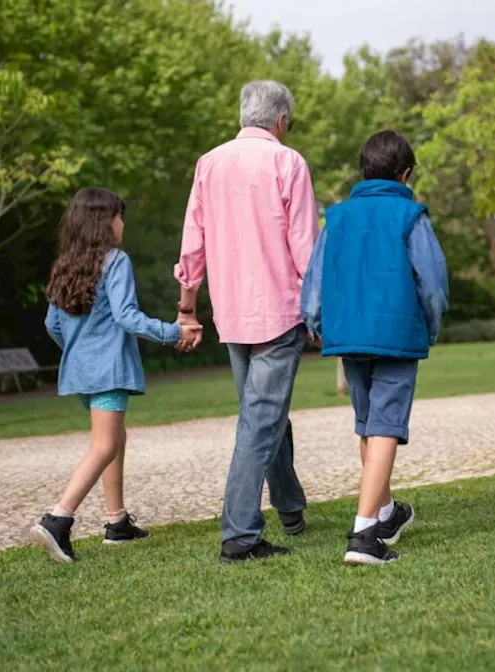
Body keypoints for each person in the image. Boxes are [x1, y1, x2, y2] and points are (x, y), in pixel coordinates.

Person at [174, 81, 317, 564]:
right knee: (260, 420)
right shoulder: (288, 162)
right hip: (279, 311)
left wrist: (187, 305)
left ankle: (291, 507)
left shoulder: (208, 163)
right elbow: (304, 245)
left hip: (231, 313)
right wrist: (318, 307)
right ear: (280, 121)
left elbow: (193, 240)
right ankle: (239, 535)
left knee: (264, 413)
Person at [300, 130, 449, 565]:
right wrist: (431, 328)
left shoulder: (338, 217)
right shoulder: (411, 215)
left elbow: (315, 278)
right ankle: (364, 535)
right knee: (385, 424)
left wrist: (316, 323)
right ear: (405, 175)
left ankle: (384, 512)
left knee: (368, 422)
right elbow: (433, 286)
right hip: (397, 332)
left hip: (347, 332)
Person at [32, 187, 201, 564]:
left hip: (79, 371)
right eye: (119, 216)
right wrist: (174, 332)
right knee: (104, 445)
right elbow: (127, 316)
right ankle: (58, 519)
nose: (123, 223)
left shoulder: (66, 264)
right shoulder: (116, 261)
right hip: (107, 370)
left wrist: (79, 351)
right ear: (104, 222)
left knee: (114, 438)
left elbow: (51, 324)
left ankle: (117, 522)